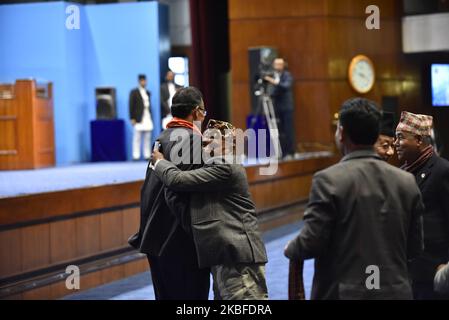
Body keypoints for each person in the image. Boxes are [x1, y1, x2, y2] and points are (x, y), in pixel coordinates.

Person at [284, 97, 424, 300]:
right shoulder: (407, 181)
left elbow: (311, 242)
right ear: (376, 133)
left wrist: (291, 247)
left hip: (345, 294)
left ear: (341, 133)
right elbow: (414, 248)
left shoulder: (328, 180)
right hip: (396, 292)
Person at [150, 120, 268, 300]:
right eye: (203, 142)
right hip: (224, 258)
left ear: (229, 144)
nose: (205, 146)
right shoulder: (211, 169)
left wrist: (160, 163)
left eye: (212, 140)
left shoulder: (226, 167)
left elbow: (178, 180)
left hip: (237, 259)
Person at [128, 86, 210, 300]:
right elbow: (181, 194)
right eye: (203, 111)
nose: (204, 116)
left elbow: (147, 191)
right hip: (179, 243)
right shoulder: (191, 140)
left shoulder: (162, 137)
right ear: (196, 112)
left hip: (154, 238)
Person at [394, 111, 449, 299]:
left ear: (418, 140)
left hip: (435, 268)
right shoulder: (401, 173)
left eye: (400, 138)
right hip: (408, 269)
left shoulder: (442, 170)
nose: (395, 144)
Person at [264, 58, 295, 159]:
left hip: (286, 107)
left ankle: (290, 152)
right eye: (276, 64)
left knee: (288, 130)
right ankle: (282, 153)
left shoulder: (287, 75)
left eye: (280, 64)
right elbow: (273, 91)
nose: (278, 66)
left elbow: (286, 86)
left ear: (283, 65)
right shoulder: (273, 75)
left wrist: (272, 81)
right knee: (279, 130)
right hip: (276, 107)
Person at [129, 74, 154, 160]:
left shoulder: (148, 92)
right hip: (138, 118)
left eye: (145, 80)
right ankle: (136, 155)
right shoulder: (134, 92)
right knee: (137, 138)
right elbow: (131, 105)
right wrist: (132, 117)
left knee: (147, 138)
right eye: (142, 81)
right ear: (139, 81)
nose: (144, 82)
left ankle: (147, 155)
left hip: (147, 117)